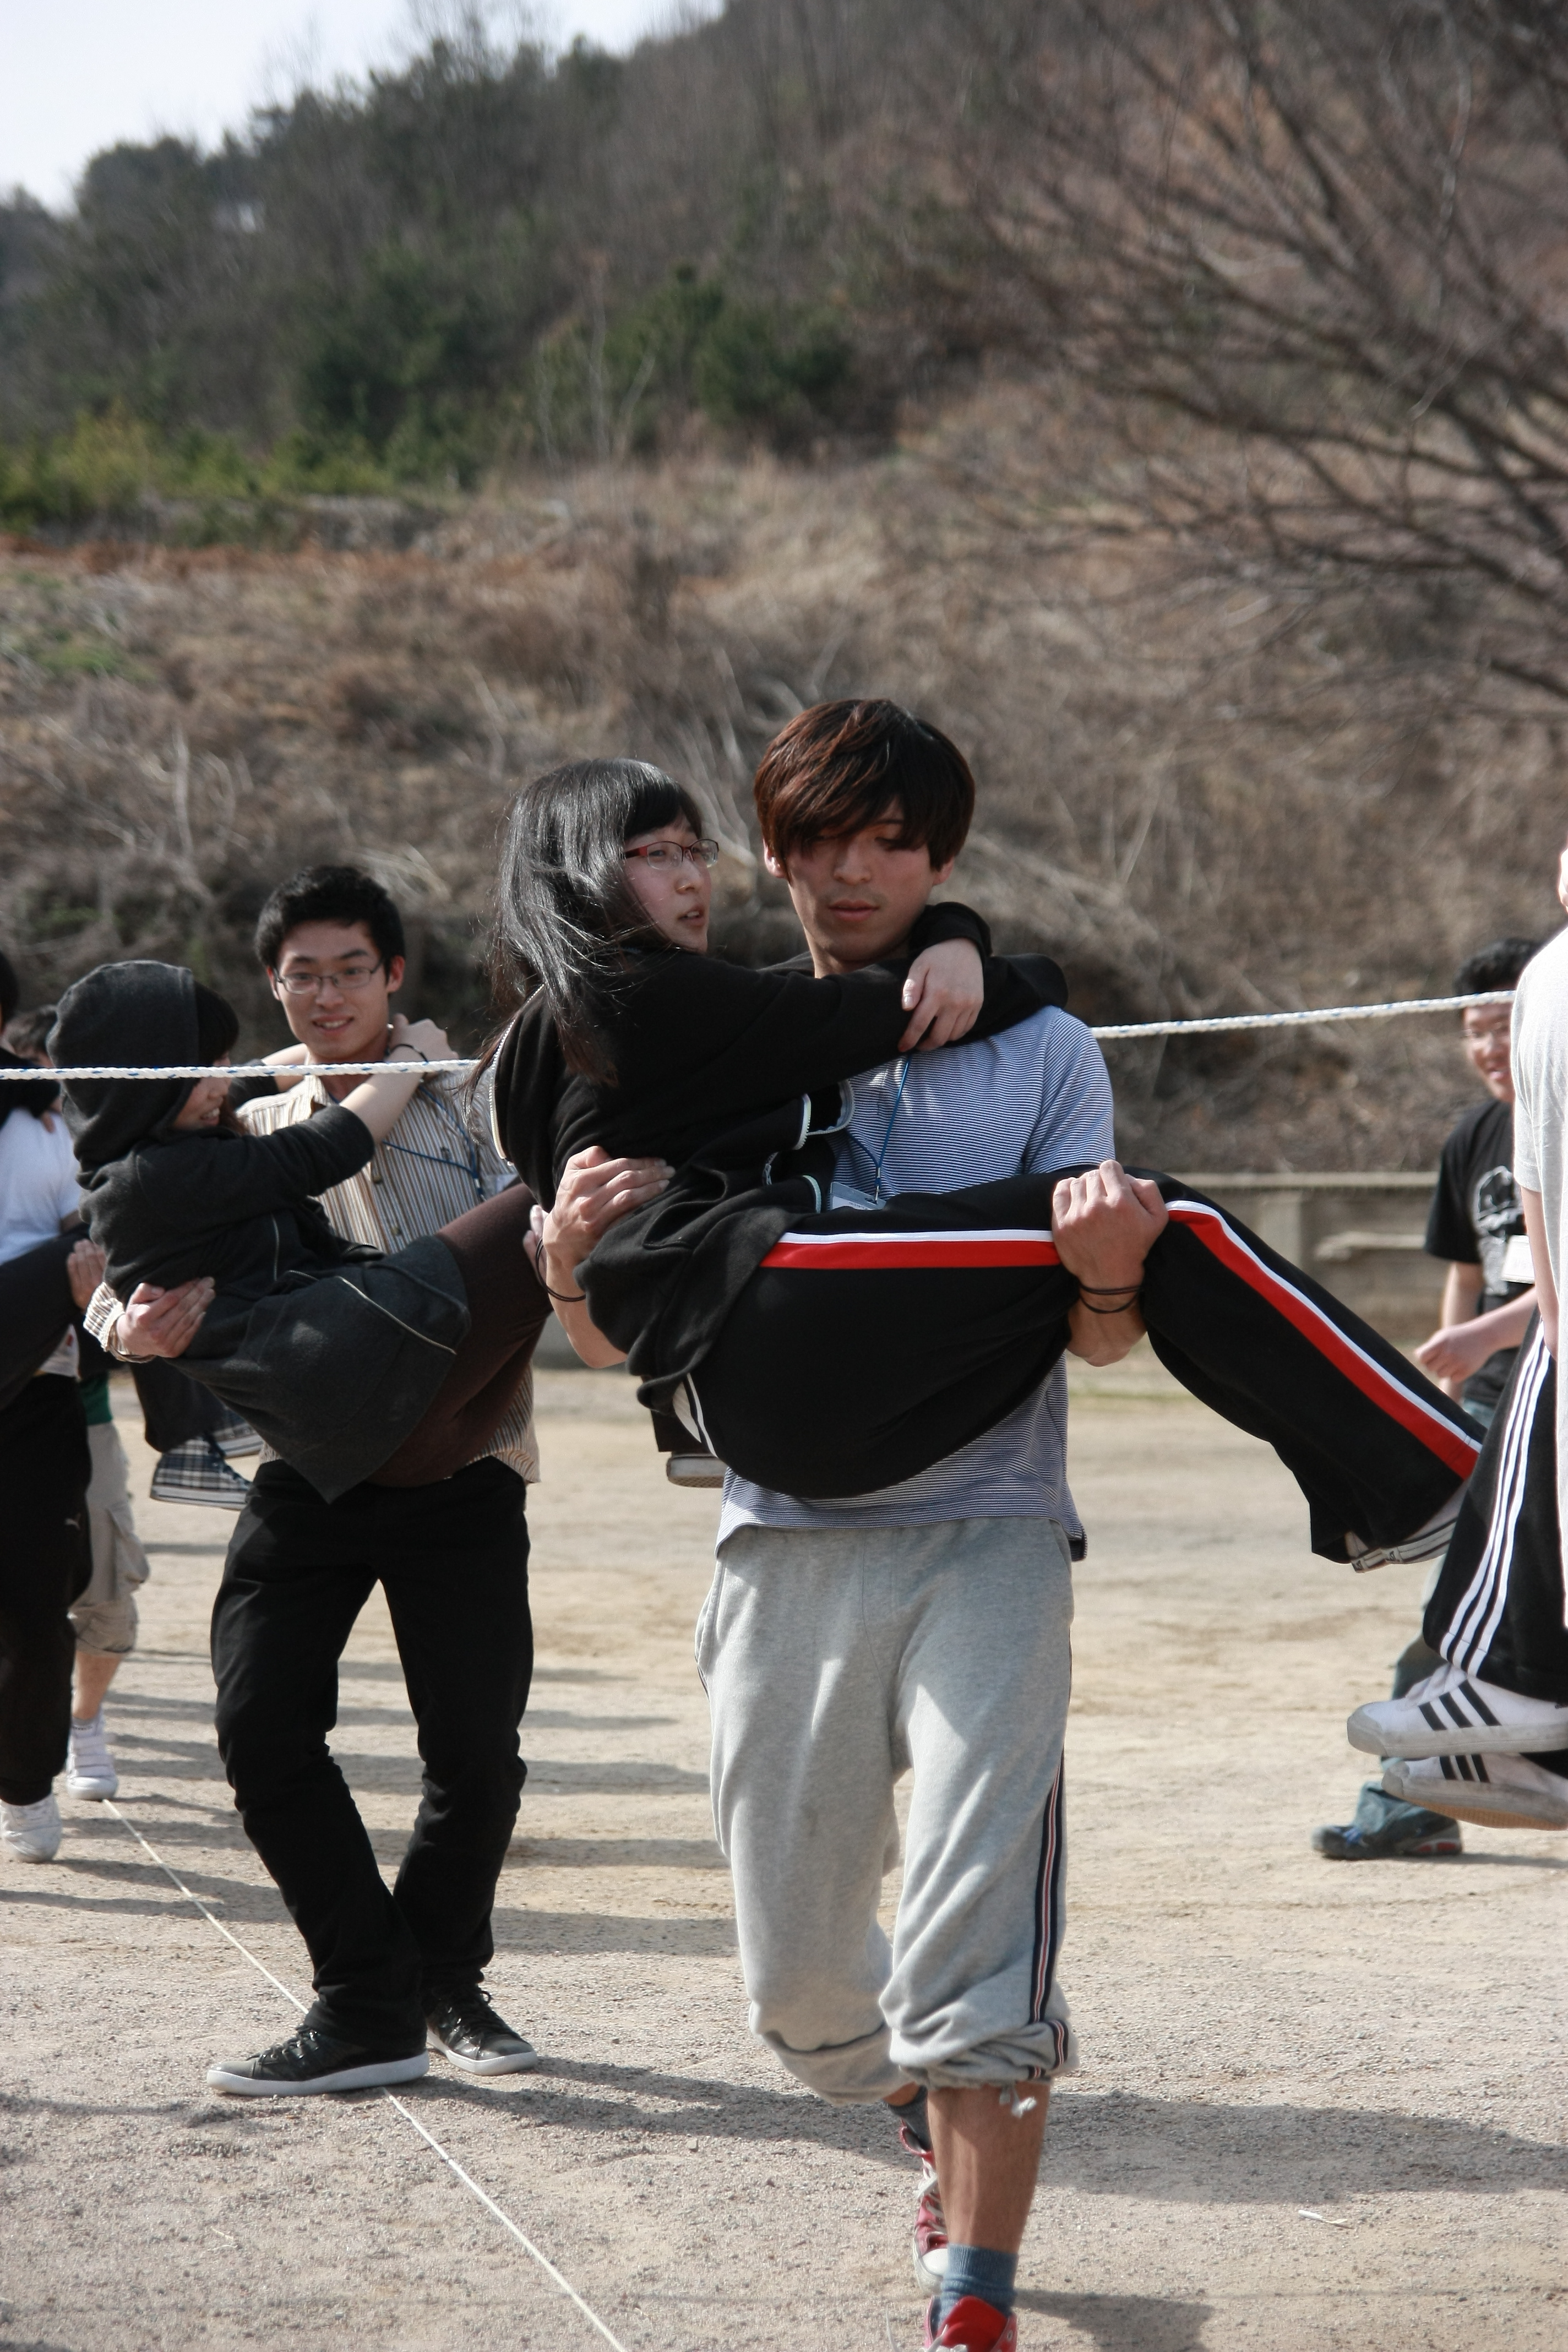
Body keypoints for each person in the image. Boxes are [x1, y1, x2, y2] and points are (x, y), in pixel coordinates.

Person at [515, 716, 1482, 2352]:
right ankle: (904, 2096)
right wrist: (561, 1273)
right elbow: (625, 1336)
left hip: (989, 1533)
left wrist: (1107, 1277)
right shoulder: (717, 1029)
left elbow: (1096, 1340)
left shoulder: (1042, 1055)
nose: (854, 870)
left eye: (893, 843)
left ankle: (976, 2282)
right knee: (801, 2000)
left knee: (978, 1943)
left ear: (941, 858)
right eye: (821, 839)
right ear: (773, 854)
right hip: (781, 1539)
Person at [76, 865, 563, 2093]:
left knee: (477, 1753)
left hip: (466, 1461)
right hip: (308, 1469)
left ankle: (442, 1981)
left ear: (395, 976)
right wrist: (127, 1330)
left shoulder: (478, 1096)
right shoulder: (239, 1121)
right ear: (274, 986)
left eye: (352, 970)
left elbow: (555, 1225)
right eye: (304, 975)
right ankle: (365, 1996)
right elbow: (120, 1256)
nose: (329, 994)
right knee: (259, 1729)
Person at [1313, 936, 1541, 1863]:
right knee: (1462, 1604)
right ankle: (1410, 1800)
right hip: (1486, 1409)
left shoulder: (1563, 1115)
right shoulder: (1473, 1137)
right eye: (1474, 1031)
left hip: (1547, 1400)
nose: (1489, 1048)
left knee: (1485, 1609)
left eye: (1505, 1027)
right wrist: (1446, 1386)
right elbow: (1465, 1275)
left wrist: (1494, 1333)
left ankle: (1414, 1793)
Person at [0, 1005, 105, 1865]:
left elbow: (92, 1235)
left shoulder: (45, 1121)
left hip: (36, 1391)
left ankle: (25, 1782)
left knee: (37, 1612)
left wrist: (80, 1290)